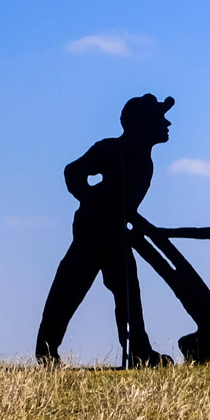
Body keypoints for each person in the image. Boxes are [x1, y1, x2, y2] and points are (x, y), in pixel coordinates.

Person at [36, 93, 178, 365]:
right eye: (161, 119)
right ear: (143, 124)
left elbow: (126, 205)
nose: (167, 123)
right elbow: (73, 171)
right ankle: (46, 351)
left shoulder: (143, 159)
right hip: (94, 231)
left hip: (115, 231)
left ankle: (139, 352)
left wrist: (135, 221)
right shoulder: (112, 150)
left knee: (127, 291)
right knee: (71, 288)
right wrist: (91, 199)